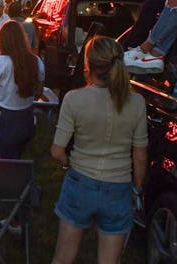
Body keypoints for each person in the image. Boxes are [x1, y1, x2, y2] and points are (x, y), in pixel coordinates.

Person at [50, 36, 147, 264]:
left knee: (63, 257)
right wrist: (137, 189)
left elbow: (56, 151)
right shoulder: (136, 103)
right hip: (118, 188)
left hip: (80, 182)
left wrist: (67, 163)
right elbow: (139, 152)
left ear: (88, 65)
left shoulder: (74, 99)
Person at [0, 20, 44, 159]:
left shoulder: (3, 62)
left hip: (5, 121)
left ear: (2, 41)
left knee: (3, 165)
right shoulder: (36, 61)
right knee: (16, 159)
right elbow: (38, 92)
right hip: (27, 119)